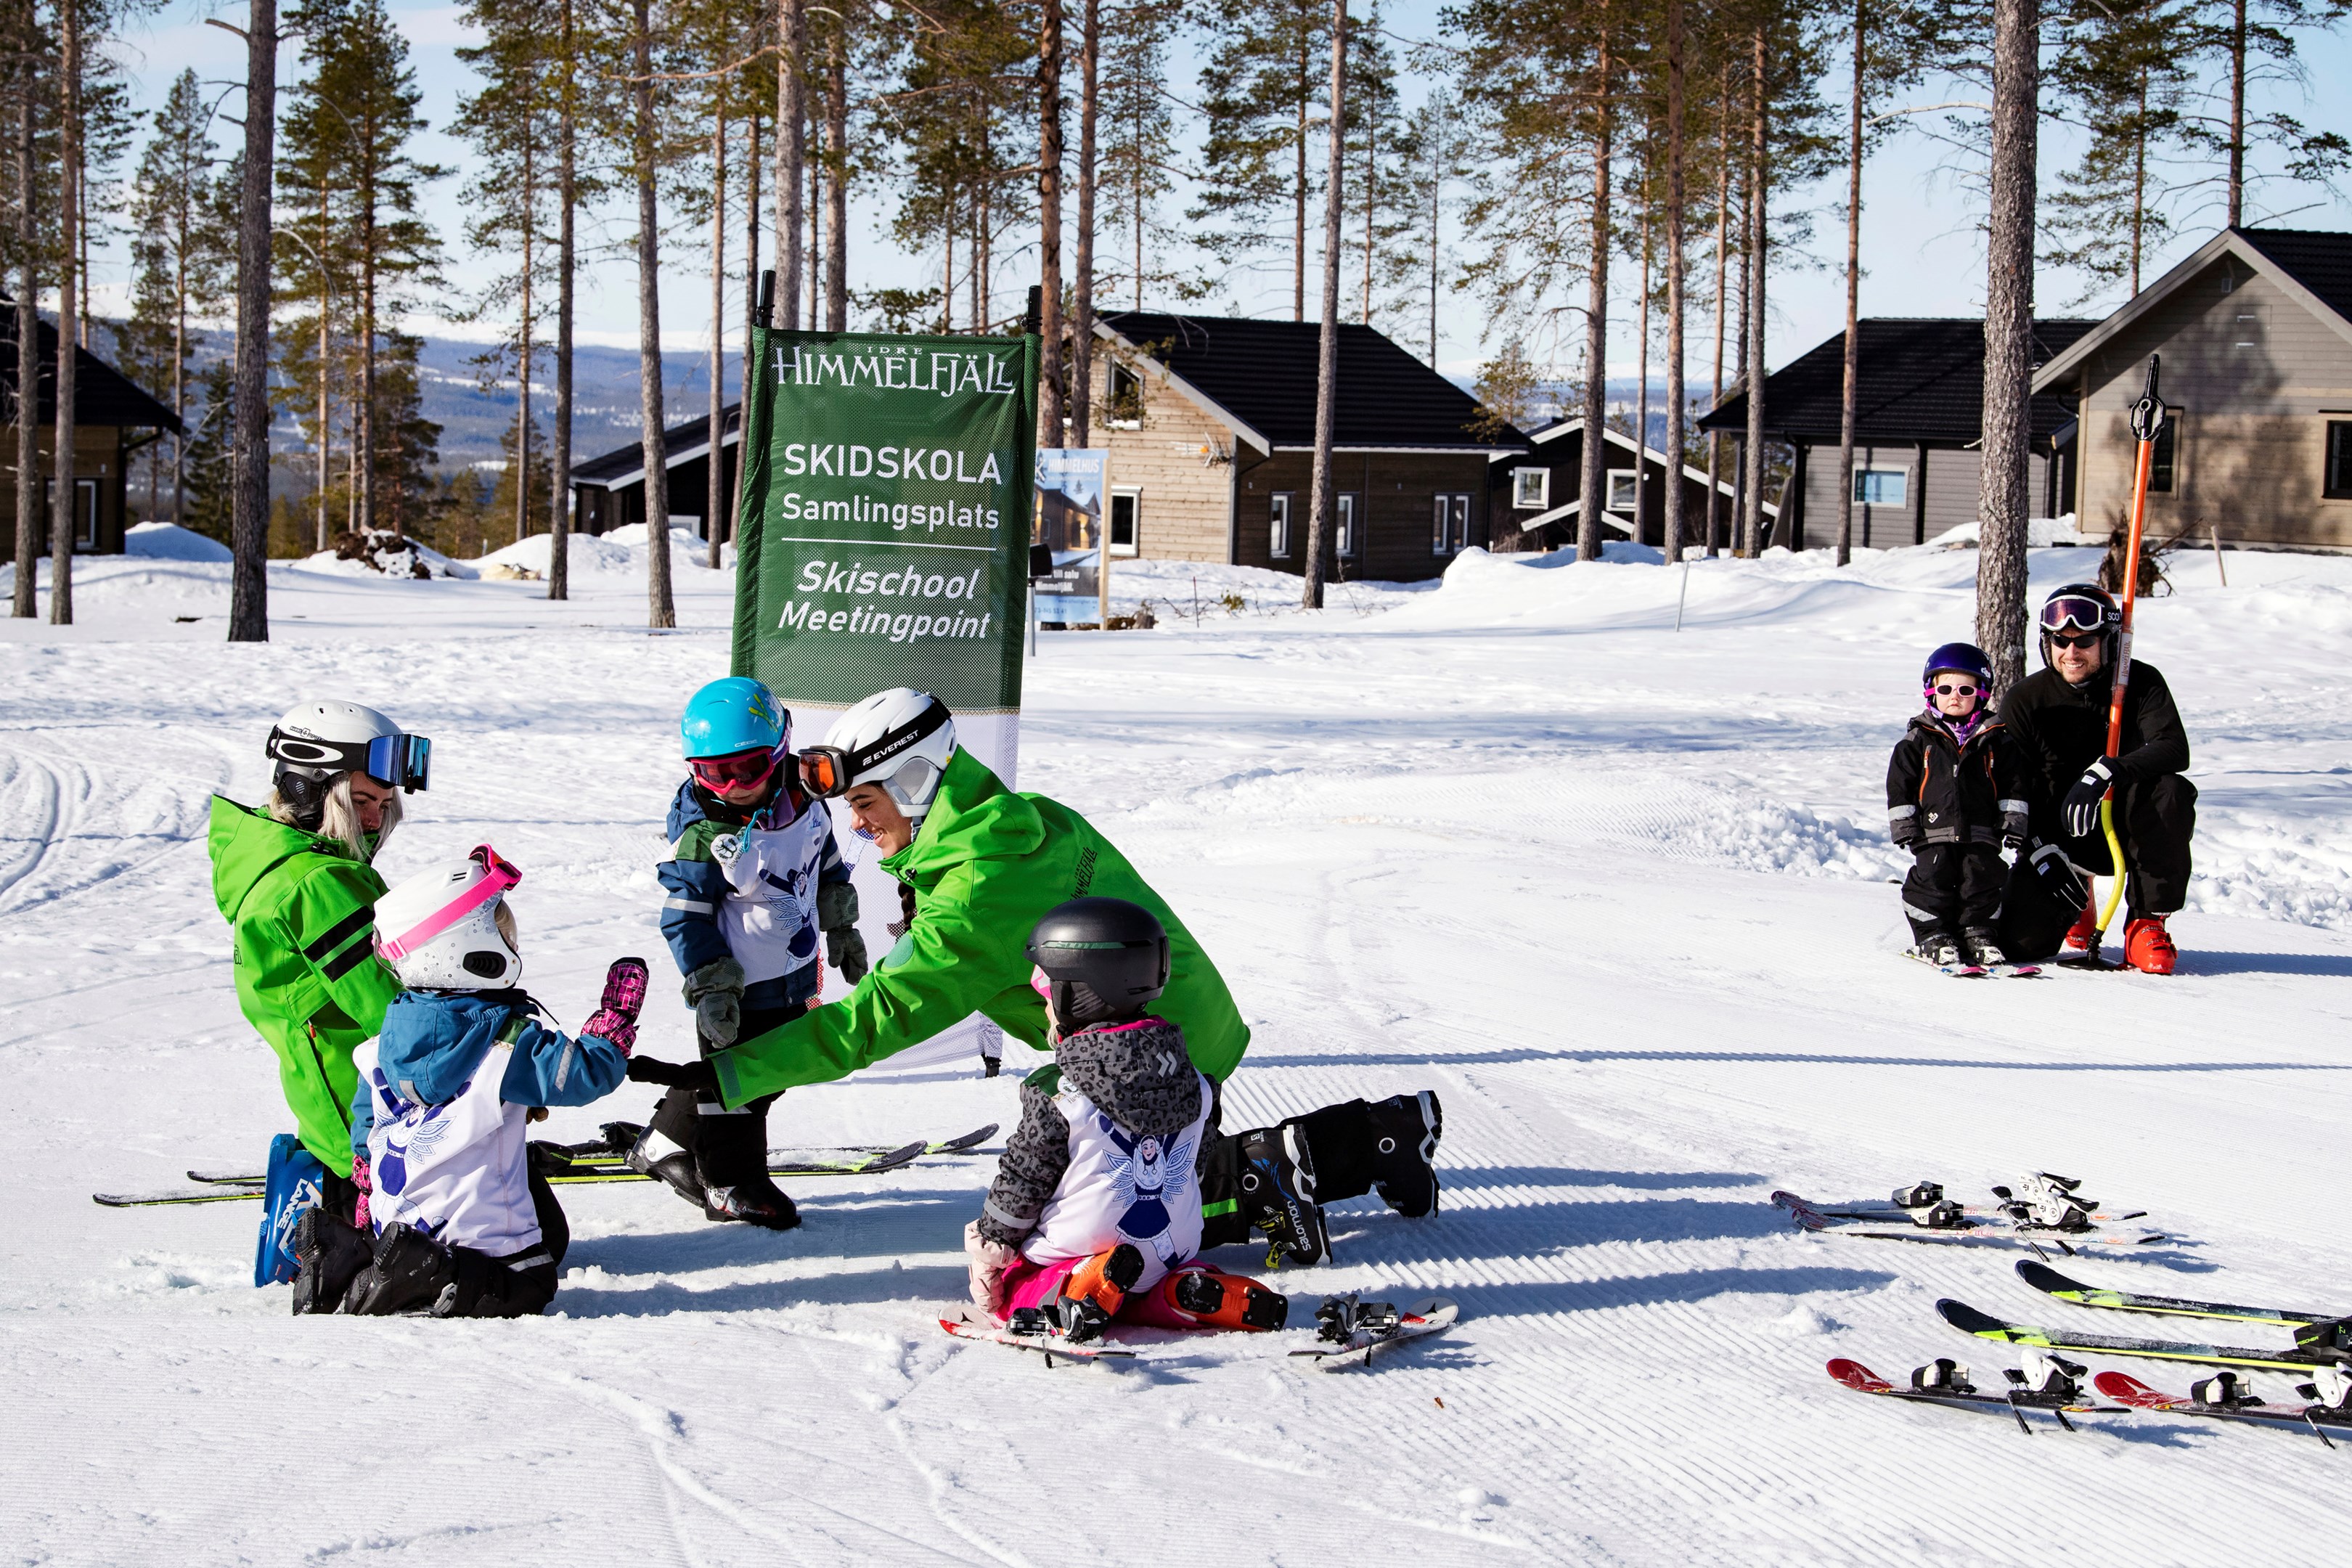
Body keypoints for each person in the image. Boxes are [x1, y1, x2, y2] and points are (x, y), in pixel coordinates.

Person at [630, 687, 1443, 1269]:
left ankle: (1319, 1157)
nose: (856, 820)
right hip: (1178, 1020)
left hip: (1153, 1056)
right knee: (1140, 1188)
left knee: (1133, 1222)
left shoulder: (975, 888)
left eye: (867, 800)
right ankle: (1384, 1133)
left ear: (913, 783)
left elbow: (874, 1021)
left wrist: (733, 1073)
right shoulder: (1014, 820)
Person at [290, 846, 648, 1317]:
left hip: (400, 1219)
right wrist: (614, 1021)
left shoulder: (379, 1047)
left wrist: (367, 1180)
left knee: (523, 1229)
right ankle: (430, 1269)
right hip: (484, 1243)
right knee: (532, 1281)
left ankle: (344, 1257)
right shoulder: (503, 1044)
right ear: (467, 950)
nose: (513, 945)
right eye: (503, 934)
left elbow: (366, 1133)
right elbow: (582, 1075)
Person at [963, 897, 1288, 1342]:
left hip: (1081, 1247)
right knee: (1149, 1291)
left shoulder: (1058, 1092)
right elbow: (1195, 1165)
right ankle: (1187, 1293)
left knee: (1019, 1290)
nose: (1043, 1006)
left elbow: (1024, 1180)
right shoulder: (1197, 1081)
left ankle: (1083, 1286)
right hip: (1169, 1250)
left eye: (1045, 991)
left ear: (1078, 993)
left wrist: (991, 1247)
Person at [626, 677, 866, 1230]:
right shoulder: (704, 836)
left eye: (748, 769)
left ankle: (664, 1142)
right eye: (715, 774)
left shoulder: (805, 795)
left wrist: (842, 925)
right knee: (738, 1088)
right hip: (735, 990)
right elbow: (684, 917)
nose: (732, 786)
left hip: (792, 970)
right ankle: (730, 1182)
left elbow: (824, 859)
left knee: (768, 1071)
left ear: (779, 752)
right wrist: (712, 985)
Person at [208, 701, 431, 1222]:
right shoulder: (318, 884)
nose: (375, 819)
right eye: (361, 800)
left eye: (385, 802)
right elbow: (395, 1010)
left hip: (336, 1103)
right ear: (307, 792)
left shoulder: (277, 859)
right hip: (375, 1124)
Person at [1997, 582, 2195, 973]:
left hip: (2127, 828)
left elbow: (2174, 748)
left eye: (2084, 641)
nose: (2071, 653)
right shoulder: (2025, 699)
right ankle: (2077, 901)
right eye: (2060, 641)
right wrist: (2037, 848)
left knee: (2171, 790)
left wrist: (2108, 770)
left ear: (2110, 641)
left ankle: (2146, 922)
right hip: (2057, 841)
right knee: (2019, 945)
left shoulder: (2141, 683)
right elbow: (2009, 787)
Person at [1887, 642, 2028, 970]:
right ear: (1931, 692)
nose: (1955, 696)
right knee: (1932, 881)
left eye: (1965, 690)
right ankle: (1933, 934)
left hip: (1982, 829)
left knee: (1981, 881)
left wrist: (2013, 821)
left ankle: (1978, 932)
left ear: (1982, 694)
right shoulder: (1917, 741)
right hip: (1932, 831)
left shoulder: (1997, 740)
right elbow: (1900, 786)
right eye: (1945, 689)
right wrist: (1905, 825)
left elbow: (2014, 783)